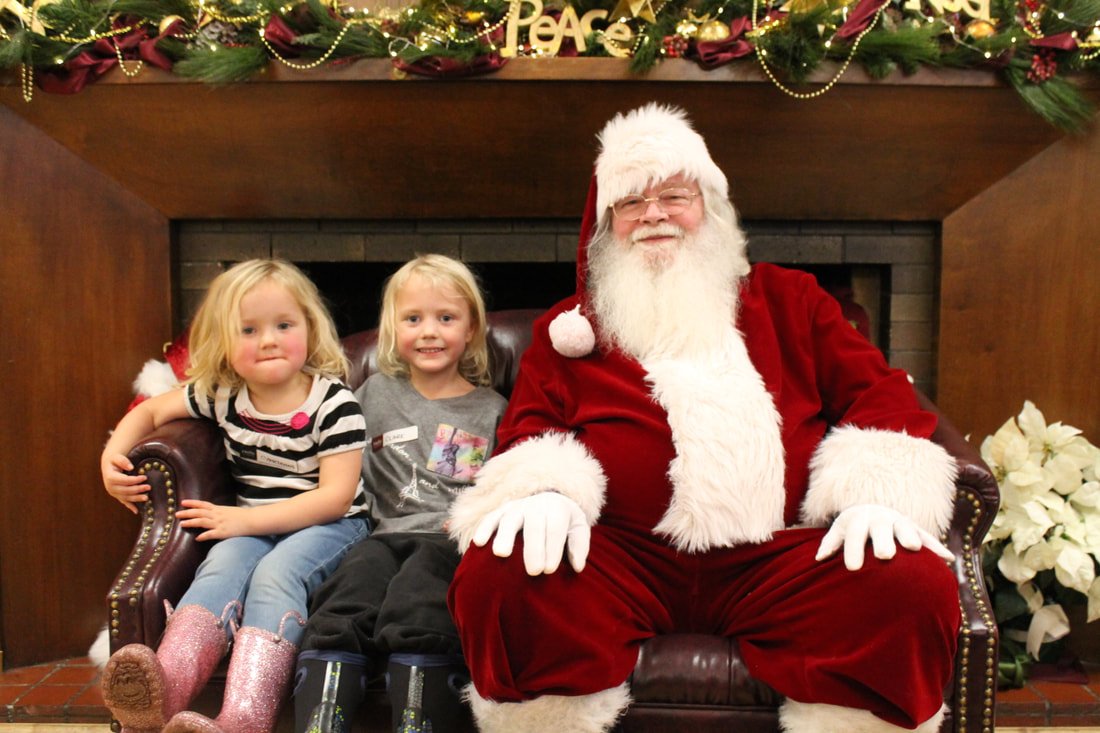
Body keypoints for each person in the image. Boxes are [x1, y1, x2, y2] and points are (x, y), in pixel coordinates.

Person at [446, 103, 961, 733]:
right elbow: (531, 428)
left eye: (674, 195)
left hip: (776, 560)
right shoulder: (571, 332)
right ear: (608, 224)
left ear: (710, 209)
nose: (654, 214)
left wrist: (876, 496)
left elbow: (881, 395)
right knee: (503, 570)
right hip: (622, 560)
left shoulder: (793, 301)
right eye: (631, 203)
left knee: (907, 584)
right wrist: (544, 491)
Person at [99, 259, 370, 733]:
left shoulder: (334, 404)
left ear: (309, 328)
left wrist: (242, 522)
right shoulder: (222, 394)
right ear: (224, 341)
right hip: (252, 521)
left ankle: (246, 716)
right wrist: (112, 458)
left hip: (330, 525)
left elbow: (336, 498)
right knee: (220, 568)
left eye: (283, 325)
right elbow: (150, 412)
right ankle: (162, 692)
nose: (268, 339)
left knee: (274, 576)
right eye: (248, 329)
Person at [293, 254, 508, 733]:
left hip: (447, 539)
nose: (429, 331)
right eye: (413, 319)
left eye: (445, 318)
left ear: (471, 329)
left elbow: (506, 482)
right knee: (348, 593)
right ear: (393, 329)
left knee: (422, 600)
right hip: (379, 535)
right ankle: (323, 716)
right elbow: (334, 455)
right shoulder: (371, 394)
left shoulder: (493, 410)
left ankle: (418, 718)